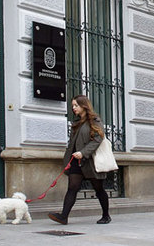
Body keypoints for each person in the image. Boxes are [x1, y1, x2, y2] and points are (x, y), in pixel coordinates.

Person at [48, 94, 111, 225]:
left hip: (90, 161)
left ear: (84, 106)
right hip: (76, 161)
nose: (74, 108)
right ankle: (63, 216)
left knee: (98, 189)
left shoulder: (95, 120)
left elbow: (97, 139)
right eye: (73, 106)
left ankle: (106, 215)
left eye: (76, 105)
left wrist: (83, 153)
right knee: (72, 187)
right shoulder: (76, 123)